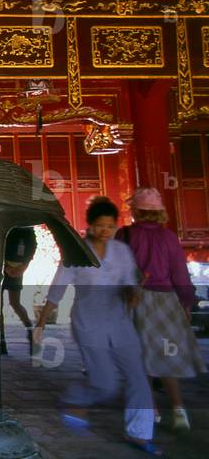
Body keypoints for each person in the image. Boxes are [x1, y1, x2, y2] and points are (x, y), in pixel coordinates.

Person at [34, 197, 158, 455]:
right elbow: (57, 290)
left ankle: (139, 433)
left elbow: (129, 282)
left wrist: (133, 293)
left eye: (111, 227)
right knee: (105, 383)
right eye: (100, 226)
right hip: (89, 325)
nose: (105, 231)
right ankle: (75, 398)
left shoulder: (121, 252)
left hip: (120, 323)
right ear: (90, 226)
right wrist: (41, 324)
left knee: (138, 378)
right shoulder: (77, 253)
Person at [116, 187, 205, 431]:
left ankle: (151, 410)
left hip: (136, 301)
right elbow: (180, 275)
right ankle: (178, 409)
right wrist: (187, 303)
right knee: (166, 355)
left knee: (141, 357)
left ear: (135, 210)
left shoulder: (124, 236)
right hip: (166, 303)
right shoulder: (169, 238)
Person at [0, 226, 37, 355]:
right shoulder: (21, 227)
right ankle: (2, 340)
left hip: (13, 267)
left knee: (13, 303)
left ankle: (29, 331)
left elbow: (32, 247)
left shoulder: (26, 228)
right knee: (9, 304)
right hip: (5, 266)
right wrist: (7, 266)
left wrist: (24, 266)